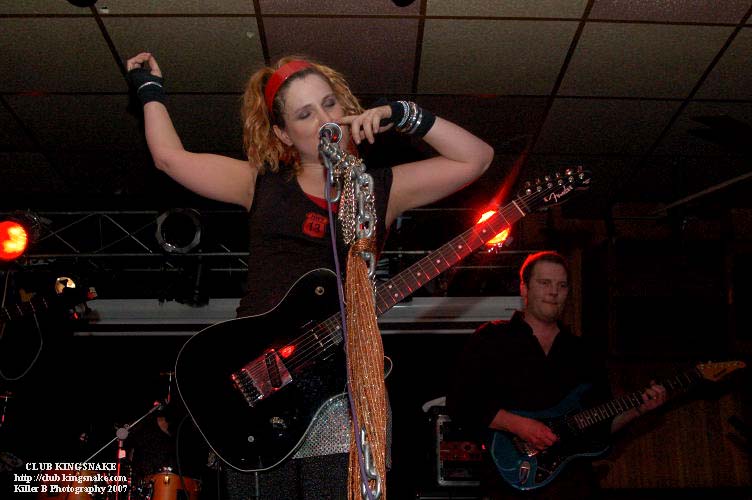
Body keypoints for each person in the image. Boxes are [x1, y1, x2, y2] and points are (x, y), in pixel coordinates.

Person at [125, 52, 494, 499]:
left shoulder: (380, 189)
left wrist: (402, 114)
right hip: (255, 386)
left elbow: (476, 159)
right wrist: (149, 90)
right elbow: (169, 158)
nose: (324, 119)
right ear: (283, 134)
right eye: (305, 114)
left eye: (329, 103)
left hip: (339, 394)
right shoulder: (260, 184)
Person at [446, 251, 667, 499]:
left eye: (562, 285)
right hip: (508, 479)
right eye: (545, 283)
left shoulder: (583, 352)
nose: (554, 292)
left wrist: (637, 410)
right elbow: (460, 403)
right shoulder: (492, 337)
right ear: (524, 288)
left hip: (572, 483)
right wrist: (518, 425)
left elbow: (600, 426)